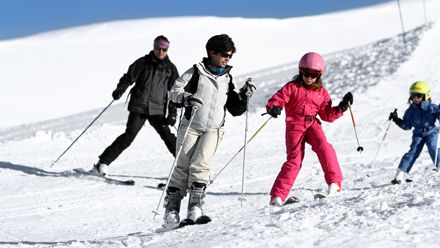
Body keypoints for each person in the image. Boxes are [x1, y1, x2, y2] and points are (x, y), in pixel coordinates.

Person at [161, 34, 256, 228]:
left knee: (201, 165)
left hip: (213, 129)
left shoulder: (227, 78)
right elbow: (174, 92)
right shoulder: (196, 72)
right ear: (211, 53)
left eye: (230, 56)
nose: (228, 59)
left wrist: (245, 95)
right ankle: (171, 211)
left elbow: (235, 109)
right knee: (182, 165)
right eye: (224, 54)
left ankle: (195, 207)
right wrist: (188, 98)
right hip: (191, 126)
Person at [265, 52, 353, 206]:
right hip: (294, 126)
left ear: (319, 75)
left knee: (325, 147)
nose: (309, 77)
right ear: (301, 71)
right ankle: (277, 197)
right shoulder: (291, 87)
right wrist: (274, 107)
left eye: (314, 74)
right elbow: (278, 99)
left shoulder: (322, 93)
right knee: (294, 160)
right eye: (306, 73)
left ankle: (335, 184)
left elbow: (327, 115)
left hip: (313, 124)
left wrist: (342, 107)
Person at [90, 35, 179, 176]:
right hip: (139, 107)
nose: (161, 52)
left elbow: (175, 92)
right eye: (158, 48)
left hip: (157, 110)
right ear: (154, 47)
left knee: (168, 137)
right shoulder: (143, 63)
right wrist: (120, 89)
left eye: (164, 49)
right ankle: (101, 164)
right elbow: (128, 78)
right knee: (128, 137)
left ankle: (185, 169)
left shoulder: (170, 69)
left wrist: (172, 112)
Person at [389, 81, 440, 184]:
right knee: (413, 152)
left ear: (426, 96)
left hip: (431, 132)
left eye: (418, 95)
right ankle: (401, 173)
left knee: (433, 147)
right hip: (418, 134)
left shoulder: (432, 108)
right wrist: (396, 120)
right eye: (413, 96)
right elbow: (407, 126)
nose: (415, 98)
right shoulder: (411, 110)